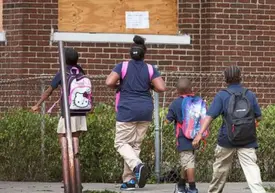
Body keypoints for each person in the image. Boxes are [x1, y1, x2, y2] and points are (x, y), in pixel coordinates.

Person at [105, 35, 167, 190]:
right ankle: (130, 180)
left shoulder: (123, 66)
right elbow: (161, 88)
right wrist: (150, 86)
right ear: (144, 54)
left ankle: (137, 166)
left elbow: (109, 82)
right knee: (134, 145)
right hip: (145, 110)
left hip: (127, 110)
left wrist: (120, 85)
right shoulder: (150, 68)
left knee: (120, 143)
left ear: (130, 53)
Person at [192, 66, 266, 193]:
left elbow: (210, 117)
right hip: (247, 139)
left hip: (227, 139)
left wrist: (199, 134)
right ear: (240, 77)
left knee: (220, 170)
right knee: (252, 169)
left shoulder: (222, 95)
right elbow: (258, 117)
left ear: (225, 79)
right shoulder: (250, 94)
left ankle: (214, 191)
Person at [31, 47, 90, 190]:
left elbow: (49, 91)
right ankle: (76, 179)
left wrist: (37, 105)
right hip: (80, 114)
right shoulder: (80, 71)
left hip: (67, 114)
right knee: (75, 146)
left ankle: (68, 179)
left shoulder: (62, 73)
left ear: (63, 60)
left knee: (64, 145)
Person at [166, 78, 199, 193]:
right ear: (191, 89)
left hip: (183, 137)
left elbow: (168, 120)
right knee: (187, 160)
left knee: (188, 162)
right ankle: (181, 185)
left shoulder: (175, 103)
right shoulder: (196, 101)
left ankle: (192, 188)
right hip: (196, 136)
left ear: (177, 91)